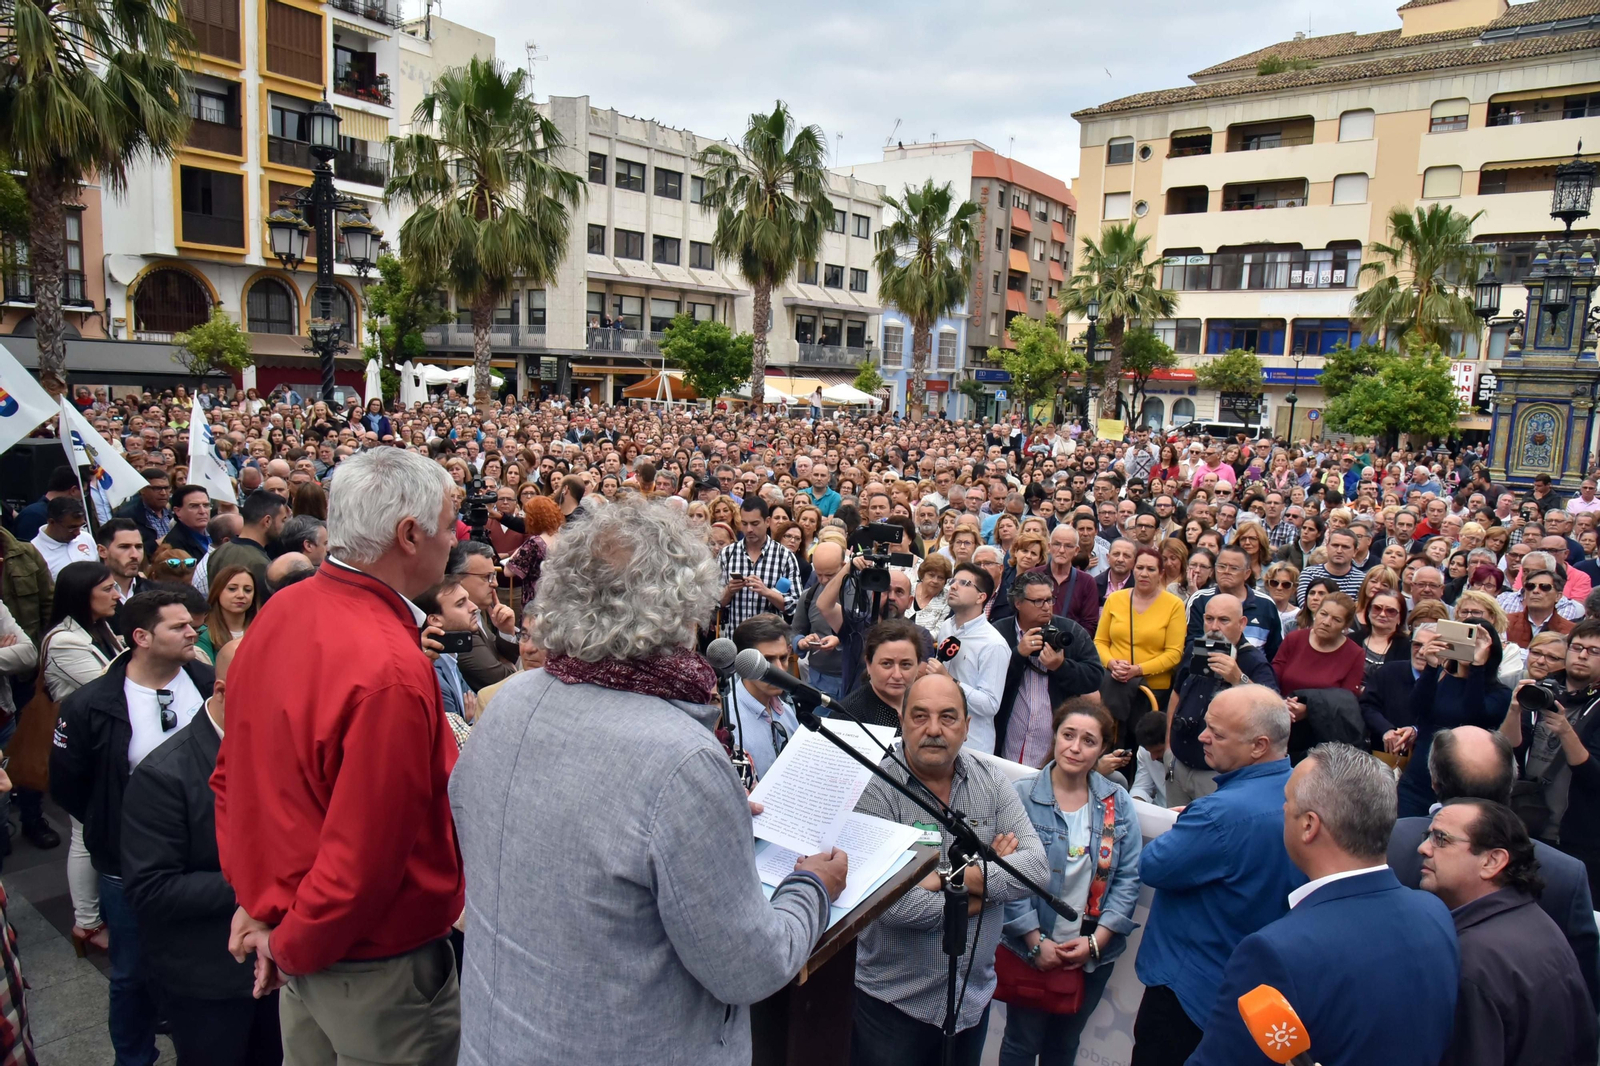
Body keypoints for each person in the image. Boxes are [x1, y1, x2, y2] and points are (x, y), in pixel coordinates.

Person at [451, 496, 844, 1064]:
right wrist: (813, 888)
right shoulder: (680, 759)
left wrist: (700, 818)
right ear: (680, 608)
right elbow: (748, 967)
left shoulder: (509, 701)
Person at [213, 448, 465, 1066]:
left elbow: (235, 782)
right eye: (451, 524)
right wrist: (291, 942)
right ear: (409, 535)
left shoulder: (282, 613)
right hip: (369, 966)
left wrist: (260, 906)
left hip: (300, 935)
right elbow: (366, 856)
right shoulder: (391, 669)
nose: (457, 540)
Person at [1188, 743, 1460, 1066]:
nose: (1283, 811)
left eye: (1286, 803)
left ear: (1309, 826)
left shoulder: (1275, 953)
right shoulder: (1435, 913)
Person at [51, 588, 215, 1066]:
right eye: (179, 626)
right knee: (130, 974)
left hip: (204, 859)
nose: (193, 632)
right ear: (141, 637)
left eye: (192, 624)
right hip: (129, 865)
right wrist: (116, 829)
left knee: (205, 965)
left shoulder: (208, 682)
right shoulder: (92, 705)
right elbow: (70, 787)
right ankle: (134, 1057)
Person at [850, 673, 1049, 1066]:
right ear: (901, 720)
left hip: (970, 1001)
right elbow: (893, 907)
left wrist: (943, 879)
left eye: (948, 717)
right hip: (893, 1006)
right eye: (920, 716)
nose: (934, 729)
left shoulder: (990, 779)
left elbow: (1036, 869)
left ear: (967, 725)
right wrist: (987, 885)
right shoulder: (873, 786)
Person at [121, 638, 281, 1066]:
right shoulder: (163, 775)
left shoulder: (281, 746)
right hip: (208, 980)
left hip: (278, 963)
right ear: (222, 692)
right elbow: (152, 888)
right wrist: (262, 886)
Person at [1130, 685, 1301, 1066]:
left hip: (1186, 997)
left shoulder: (1218, 816)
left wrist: (1189, 824)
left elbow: (1153, 865)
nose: (1202, 737)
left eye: (1218, 733)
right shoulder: (1300, 798)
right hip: (1247, 998)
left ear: (1259, 745)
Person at [1388, 725, 1600, 1010]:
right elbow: (1582, 993)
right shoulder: (1565, 874)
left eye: (1441, 840)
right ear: (1510, 784)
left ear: (1435, 783)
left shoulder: (1388, 843)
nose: (1427, 849)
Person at [999, 699, 1143, 1066]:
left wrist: (1097, 941)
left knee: (1064, 1046)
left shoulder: (1117, 801)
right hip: (1033, 947)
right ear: (1055, 735)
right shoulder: (1023, 795)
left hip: (1093, 951)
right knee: (1021, 1043)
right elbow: (1009, 876)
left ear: (1103, 749)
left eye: (1089, 741)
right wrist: (1034, 942)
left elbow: (1128, 876)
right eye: (1068, 735)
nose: (1075, 748)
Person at [1419, 799, 1598, 1066]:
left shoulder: (1471, 961)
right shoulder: (1538, 922)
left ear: (1492, 861)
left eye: (1440, 839)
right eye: (1427, 836)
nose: (1423, 848)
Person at [1164, 594, 1280, 805]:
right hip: (1178, 763)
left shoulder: (1253, 661)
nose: (1214, 627)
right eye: (1209, 619)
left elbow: (1274, 712)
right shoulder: (1195, 648)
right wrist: (1168, 748)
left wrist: (1238, 678)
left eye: (1223, 620)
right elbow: (1176, 695)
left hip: (1217, 775)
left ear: (1242, 623)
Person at [1399, 622, 1511, 818]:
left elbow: (1474, 717)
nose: (1469, 647)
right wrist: (1432, 666)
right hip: (1418, 780)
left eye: (1476, 643)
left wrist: (1477, 666)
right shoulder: (1442, 678)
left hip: (1461, 789)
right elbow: (1416, 709)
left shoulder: (1500, 693)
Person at [993, 572, 1102, 766]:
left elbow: (1094, 676)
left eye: (1050, 600)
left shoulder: (1071, 631)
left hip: (1053, 742)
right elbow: (989, 681)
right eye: (1038, 601)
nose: (1046, 607)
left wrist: (1060, 666)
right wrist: (1018, 654)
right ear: (1018, 603)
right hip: (1007, 738)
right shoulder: (999, 632)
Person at [1095, 547, 1186, 734]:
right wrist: (1112, 664)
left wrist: (1137, 670)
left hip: (1152, 691)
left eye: (1151, 569)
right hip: (1114, 686)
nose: (1144, 573)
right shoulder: (1114, 599)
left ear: (1161, 573)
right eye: (1140, 567)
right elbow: (1100, 642)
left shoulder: (1174, 605)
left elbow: (1174, 654)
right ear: (1133, 569)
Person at [1273, 592, 1367, 756]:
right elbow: (1273, 677)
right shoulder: (1294, 639)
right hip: (1280, 722)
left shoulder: (1355, 653)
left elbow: (1346, 701)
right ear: (1316, 613)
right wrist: (1282, 706)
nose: (1326, 622)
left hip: (1321, 737)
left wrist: (1309, 710)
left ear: (1345, 626)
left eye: (1336, 619)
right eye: (1323, 614)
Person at [930, 563, 1009, 754]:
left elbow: (990, 704)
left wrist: (950, 681)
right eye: (953, 581)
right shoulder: (947, 627)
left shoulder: (993, 644)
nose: (954, 587)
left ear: (981, 597)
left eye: (964, 583)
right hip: (940, 733)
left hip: (973, 745)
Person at [730, 614, 801, 778]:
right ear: (743, 662)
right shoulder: (730, 722)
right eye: (767, 661)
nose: (780, 670)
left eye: (783, 658)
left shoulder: (786, 709)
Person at [1185, 544, 1283, 660]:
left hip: (1253, 673)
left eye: (1233, 568)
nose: (1226, 571)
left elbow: (1276, 652)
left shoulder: (1265, 604)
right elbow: (1191, 645)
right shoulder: (1200, 599)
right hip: (1208, 669)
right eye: (1221, 566)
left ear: (1247, 574)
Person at [446, 541, 519, 692]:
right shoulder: (457, 625)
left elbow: (505, 658)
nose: (495, 584)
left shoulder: (480, 611)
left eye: (494, 575)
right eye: (487, 577)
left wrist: (505, 631)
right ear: (457, 579)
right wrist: (505, 663)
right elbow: (503, 680)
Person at [719, 497, 801, 630]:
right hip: (735, 638)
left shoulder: (785, 557)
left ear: (767, 522)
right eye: (744, 524)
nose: (749, 529)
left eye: (755, 523)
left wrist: (767, 592)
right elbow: (714, 603)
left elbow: (796, 606)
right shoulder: (727, 554)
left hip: (769, 641)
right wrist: (729, 591)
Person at [415, 576, 480, 738]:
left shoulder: (449, 658)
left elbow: (477, 704)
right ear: (435, 620)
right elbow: (451, 738)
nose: (473, 607)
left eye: (468, 599)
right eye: (460, 604)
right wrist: (466, 721)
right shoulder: (434, 675)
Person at [839, 618, 922, 729]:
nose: (897, 675)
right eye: (887, 664)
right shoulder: (847, 717)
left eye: (905, 665)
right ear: (869, 664)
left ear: (918, 665)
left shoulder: (926, 705)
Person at [791, 542, 847, 701]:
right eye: (819, 574)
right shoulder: (809, 596)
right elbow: (795, 630)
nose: (823, 580)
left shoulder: (860, 596)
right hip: (820, 679)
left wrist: (840, 640)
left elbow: (871, 633)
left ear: (844, 566)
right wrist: (801, 642)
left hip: (854, 679)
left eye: (830, 575)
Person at [204, 489, 286, 598]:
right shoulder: (259, 564)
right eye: (283, 520)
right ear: (267, 521)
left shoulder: (218, 552)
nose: (284, 526)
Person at [1030, 524, 1100, 636]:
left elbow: (1090, 625)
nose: (1061, 550)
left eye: (1068, 546)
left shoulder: (1087, 582)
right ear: (1049, 547)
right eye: (1057, 544)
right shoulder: (1031, 576)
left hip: (1070, 645)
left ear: (1076, 550)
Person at [194, 565, 259, 664]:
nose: (241, 595)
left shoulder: (263, 630)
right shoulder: (202, 636)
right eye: (232, 589)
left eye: (248, 590)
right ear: (217, 591)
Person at [11, 465, 83, 542]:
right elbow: (28, 550)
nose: (77, 533)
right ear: (73, 490)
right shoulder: (33, 515)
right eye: (84, 492)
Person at [31, 495, 97, 577]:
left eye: (81, 526)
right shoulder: (34, 551)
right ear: (52, 522)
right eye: (72, 528)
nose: (78, 533)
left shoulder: (86, 537)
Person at [1295, 527, 1365, 603]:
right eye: (1335, 545)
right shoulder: (1309, 574)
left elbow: (1359, 611)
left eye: (1345, 547)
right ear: (1327, 547)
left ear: (1355, 552)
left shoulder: (1362, 580)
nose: (1339, 551)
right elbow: (1305, 605)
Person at [114, 469, 173, 557]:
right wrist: (162, 541)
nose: (163, 493)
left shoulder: (172, 514)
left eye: (166, 488)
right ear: (142, 490)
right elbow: (126, 551)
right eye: (157, 488)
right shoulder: (127, 517)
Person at [163, 485, 213, 560]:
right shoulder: (174, 545)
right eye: (194, 506)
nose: (202, 511)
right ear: (178, 511)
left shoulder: (216, 533)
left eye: (206, 505)